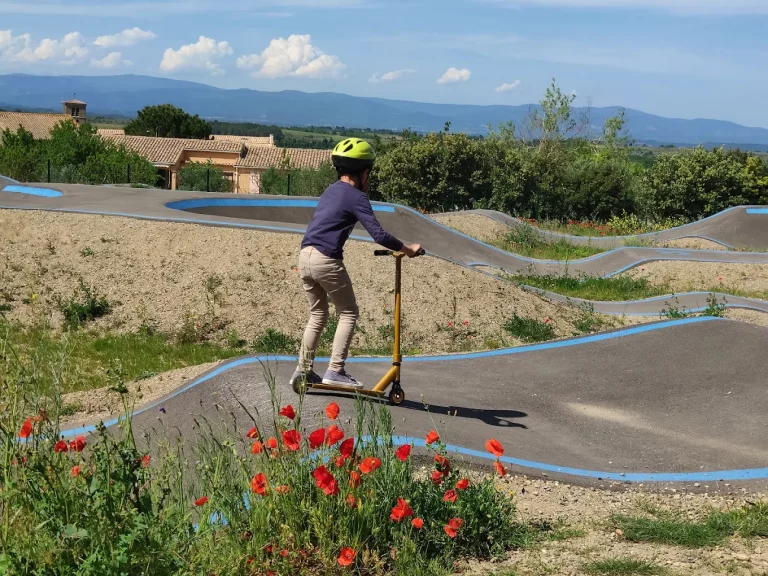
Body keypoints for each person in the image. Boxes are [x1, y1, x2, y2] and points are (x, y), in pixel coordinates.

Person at [290, 138, 422, 390]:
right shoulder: (357, 197)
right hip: (326, 259)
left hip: (304, 256)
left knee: (317, 315)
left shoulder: (330, 190)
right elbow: (379, 235)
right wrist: (408, 249)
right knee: (348, 312)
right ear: (363, 172)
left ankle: (302, 370)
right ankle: (335, 370)